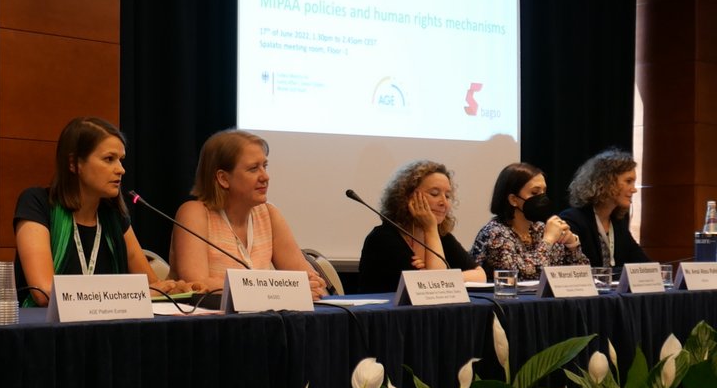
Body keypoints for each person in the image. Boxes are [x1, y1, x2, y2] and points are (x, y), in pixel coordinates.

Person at [13, 117, 197, 306]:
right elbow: (44, 292)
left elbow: (153, 287)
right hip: (48, 330)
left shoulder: (114, 216)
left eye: (121, 160)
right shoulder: (37, 203)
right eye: (109, 159)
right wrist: (129, 294)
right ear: (74, 163)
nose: (121, 170)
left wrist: (177, 288)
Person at [169, 129, 326, 298]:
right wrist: (278, 289)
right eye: (253, 169)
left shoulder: (268, 215)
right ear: (223, 179)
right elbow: (198, 285)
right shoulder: (194, 213)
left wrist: (311, 285)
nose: (265, 177)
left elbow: (307, 280)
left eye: (264, 166)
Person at [357, 159, 486, 293]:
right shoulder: (383, 238)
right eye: (435, 194)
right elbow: (436, 286)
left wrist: (446, 277)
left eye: (447, 196)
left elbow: (480, 275)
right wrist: (430, 229)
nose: (444, 203)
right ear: (408, 197)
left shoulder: (442, 236)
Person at [471, 162, 588, 280]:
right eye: (535, 193)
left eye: (544, 192)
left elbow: (580, 275)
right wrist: (547, 241)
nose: (542, 199)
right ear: (513, 200)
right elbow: (523, 276)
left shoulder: (541, 228)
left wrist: (572, 244)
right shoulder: (494, 233)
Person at [559, 148, 649, 271]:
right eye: (628, 181)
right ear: (606, 182)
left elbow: (643, 264)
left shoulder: (618, 223)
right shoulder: (573, 221)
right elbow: (578, 271)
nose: (634, 189)